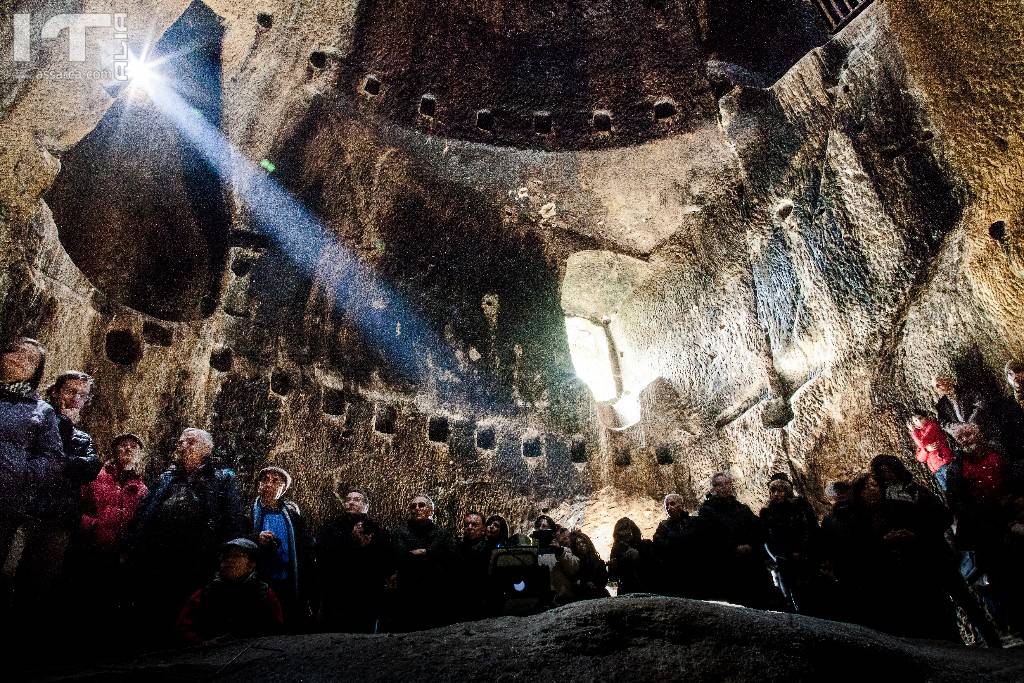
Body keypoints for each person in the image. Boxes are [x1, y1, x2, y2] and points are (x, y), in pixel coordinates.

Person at [130, 428, 245, 640]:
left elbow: (233, 518)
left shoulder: (222, 478)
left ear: (207, 449)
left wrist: (228, 554)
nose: (183, 446)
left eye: (191, 442)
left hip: (200, 555)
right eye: (181, 442)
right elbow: (145, 513)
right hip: (161, 553)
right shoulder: (167, 478)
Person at [0, 337, 64, 608]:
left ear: (36, 373)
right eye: (15, 351)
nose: (19, 358)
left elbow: (53, 458)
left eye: (30, 358)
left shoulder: (41, 411)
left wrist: (20, 474)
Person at [70, 433, 149, 628]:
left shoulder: (142, 489)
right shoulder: (95, 477)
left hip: (121, 557)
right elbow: (75, 505)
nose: (128, 449)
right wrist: (91, 527)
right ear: (114, 451)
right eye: (123, 445)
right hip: (91, 550)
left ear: (140, 455)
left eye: (134, 447)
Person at [176, 538, 283, 645]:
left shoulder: (264, 593)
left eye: (236, 556)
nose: (229, 560)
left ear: (251, 564)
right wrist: (202, 643)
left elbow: (276, 629)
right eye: (226, 556)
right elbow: (183, 627)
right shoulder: (205, 592)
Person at [251, 466, 315, 631]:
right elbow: (237, 536)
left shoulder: (293, 517)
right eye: (264, 480)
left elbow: (306, 549)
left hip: (288, 580)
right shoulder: (248, 513)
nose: (268, 484)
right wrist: (256, 538)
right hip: (259, 580)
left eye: (275, 481)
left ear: (283, 488)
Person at [697, 472, 775, 608]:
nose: (724, 487)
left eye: (727, 483)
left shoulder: (742, 508)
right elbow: (709, 538)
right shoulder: (706, 511)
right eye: (719, 485)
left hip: (751, 564)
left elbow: (758, 529)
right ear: (713, 489)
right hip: (727, 567)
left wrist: (751, 545)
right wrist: (733, 548)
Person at [389, 494, 457, 631]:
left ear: (431, 510)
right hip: (407, 592)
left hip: (435, 592)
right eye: (413, 506)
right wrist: (430, 553)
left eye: (421, 505)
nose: (417, 508)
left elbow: (450, 560)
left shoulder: (442, 534)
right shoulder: (399, 532)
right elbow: (400, 557)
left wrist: (425, 553)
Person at [759, 474, 820, 613]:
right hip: (782, 561)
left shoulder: (802, 508)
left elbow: (813, 532)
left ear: (787, 491)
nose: (776, 494)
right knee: (788, 597)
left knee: (809, 595)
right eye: (773, 491)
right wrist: (775, 558)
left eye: (780, 491)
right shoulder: (767, 513)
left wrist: (805, 551)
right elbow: (766, 539)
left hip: (805, 559)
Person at [652, 493, 705, 597]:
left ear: (681, 505)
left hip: (693, 567)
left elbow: (697, 542)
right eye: (666, 505)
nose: (669, 507)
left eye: (672, 504)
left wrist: (673, 540)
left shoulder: (694, 522)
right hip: (672, 568)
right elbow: (658, 544)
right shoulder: (663, 525)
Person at [531, 515, 579, 605]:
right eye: (538, 526)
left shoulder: (562, 550)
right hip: (540, 600)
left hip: (562, 599)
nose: (540, 528)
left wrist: (560, 552)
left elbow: (574, 569)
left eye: (544, 526)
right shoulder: (531, 552)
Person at [455, 510, 490, 621]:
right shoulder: (457, 547)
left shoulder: (489, 549)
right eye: (467, 525)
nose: (469, 527)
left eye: (474, 525)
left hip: (481, 600)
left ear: (483, 529)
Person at [908, 409, 955, 491]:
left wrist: (913, 433)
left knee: (955, 490)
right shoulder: (919, 434)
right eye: (915, 420)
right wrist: (926, 450)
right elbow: (920, 458)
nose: (918, 421)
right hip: (936, 470)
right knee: (949, 494)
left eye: (920, 418)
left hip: (944, 463)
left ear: (925, 417)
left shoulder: (932, 426)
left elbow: (923, 443)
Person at [608, 517, 655, 596]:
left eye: (627, 533)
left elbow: (655, 568)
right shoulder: (616, 551)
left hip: (647, 588)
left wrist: (639, 557)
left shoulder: (646, 545)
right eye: (621, 535)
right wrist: (613, 568)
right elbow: (613, 582)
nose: (625, 537)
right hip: (626, 591)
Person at [569, 530, 609, 600]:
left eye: (583, 542)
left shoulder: (597, 561)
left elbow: (603, 581)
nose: (581, 545)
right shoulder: (575, 563)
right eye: (578, 543)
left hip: (600, 596)